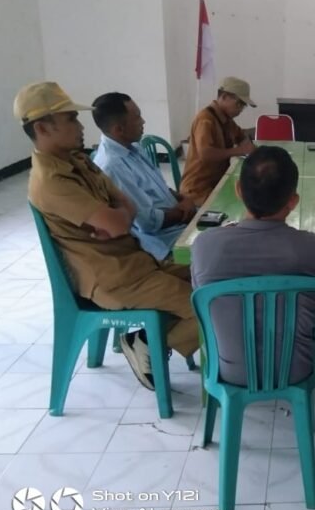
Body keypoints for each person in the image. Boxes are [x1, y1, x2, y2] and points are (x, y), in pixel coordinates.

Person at [16, 82, 200, 390]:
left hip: (136, 262)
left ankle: (148, 338)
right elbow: (117, 222)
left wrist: (119, 215)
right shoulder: (52, 181)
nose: (80, 126)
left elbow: (123, 210)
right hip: (117, 278)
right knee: (213, 307)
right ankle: (146, 341)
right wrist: (119, 215)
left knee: (216, 279)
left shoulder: (79, 160)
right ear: (42, 127)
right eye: (71, 119)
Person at [191, 145, 315, 386]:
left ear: (238, 191)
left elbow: (201, 306)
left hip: (228, 370)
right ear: (293, 201)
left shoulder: (204, 246)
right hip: (297, 370)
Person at [91, 92, 196, 261]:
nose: (143, 121)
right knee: (225, 249)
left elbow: (157, 187)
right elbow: (148, 223)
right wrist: (185, 212)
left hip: (178, 223)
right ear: (119, 129)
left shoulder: (133, 147)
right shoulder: (113, 166)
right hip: (166, 242)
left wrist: (182, 198)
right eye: (137, 117)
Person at [180, 76, 256, 205]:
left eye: (243, 106)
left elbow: (242, 137)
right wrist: (239, 150)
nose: (240, 109)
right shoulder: (206, 120)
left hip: (215, 184)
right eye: (239, 104)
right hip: (197, 191)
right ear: (224, 96)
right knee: (243, 204)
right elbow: (206, 154)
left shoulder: (226, 120)